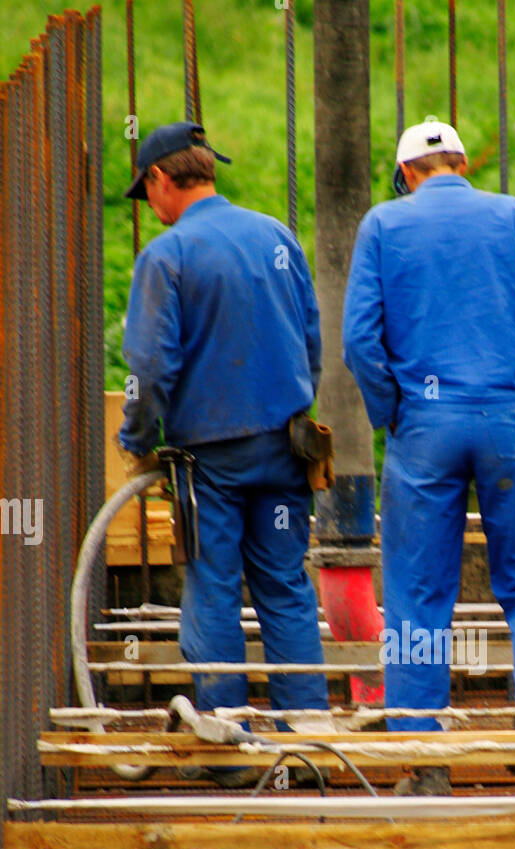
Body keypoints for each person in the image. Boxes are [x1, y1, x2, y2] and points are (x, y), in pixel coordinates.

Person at [343, 118, 515, 795]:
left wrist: (395, 412)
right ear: (463, 163)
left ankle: (425, 760)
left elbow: (361, 342)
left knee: (417, 592)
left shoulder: (384, 226)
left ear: (408, 173)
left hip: (424, 424)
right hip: (507, 418)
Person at [116, 121, 329, 786]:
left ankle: (229, 744)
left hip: (208, 459)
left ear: (159, 180)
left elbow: (150, 366)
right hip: (285, 446)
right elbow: (311, 337)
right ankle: (309, 746)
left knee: (211, 585)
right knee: (286, 586)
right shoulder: (275, 235)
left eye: (145, 191)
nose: (148, 204)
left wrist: (137, 438)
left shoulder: (168, 255)